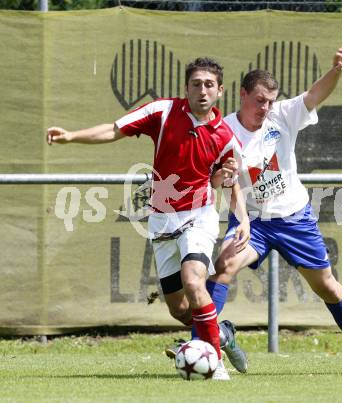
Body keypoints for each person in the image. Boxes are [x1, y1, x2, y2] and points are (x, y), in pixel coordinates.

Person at [46, 57, 250, 381]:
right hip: (162, 220)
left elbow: (228, 181)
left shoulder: (225, 137)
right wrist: (71, 136)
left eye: (209, 84)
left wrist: (244, 221)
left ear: (220, 91)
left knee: (195, 281)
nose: (202, 90)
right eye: (196, 84)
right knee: (180, 310)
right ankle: (222, 335)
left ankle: (214, 363)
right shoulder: (163, 111)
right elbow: (114, 130)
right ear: (186, 88)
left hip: (199, 216)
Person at [183, 47, 342, 374]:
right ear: (243, 94)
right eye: (260, 100)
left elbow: (315, 94)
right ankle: (202, 348)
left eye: (271, 101)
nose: (266, 107)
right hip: (254, 224)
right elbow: (223, 183)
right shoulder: (224, 130)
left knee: (327, 287)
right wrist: (222, 183)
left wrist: (337, 70)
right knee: (222, 267)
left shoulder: (282, 116)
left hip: (295, 219)